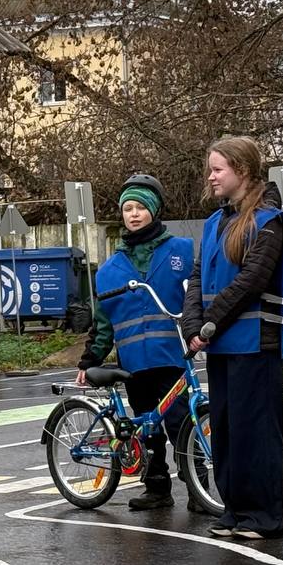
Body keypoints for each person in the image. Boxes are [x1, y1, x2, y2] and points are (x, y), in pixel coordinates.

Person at [181, 136, 283, 540]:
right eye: (210, 169)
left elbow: (251, 281)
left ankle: (265, 515)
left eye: (218, 169)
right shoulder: (216, 222)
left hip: (255, 343)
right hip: (221, 343)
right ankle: (236, 510)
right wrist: (191, 325)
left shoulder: (269, 221)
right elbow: (197, 277)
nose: (210, 177)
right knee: (228, 431)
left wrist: (208, 325)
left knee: (256, 431)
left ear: (242, 172)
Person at [77, 174, 198, 511]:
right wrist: (90, 360)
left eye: (140, 207)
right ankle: (156, 487)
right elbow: (103, 324)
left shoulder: (182, 251)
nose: (133, 214)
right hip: (134, 362)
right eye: (127, 208)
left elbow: (197, 298)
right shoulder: (110, 269)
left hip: (172, 356)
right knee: (147, 427)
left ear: (154, 210)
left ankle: (197, 484)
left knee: (180, 421)